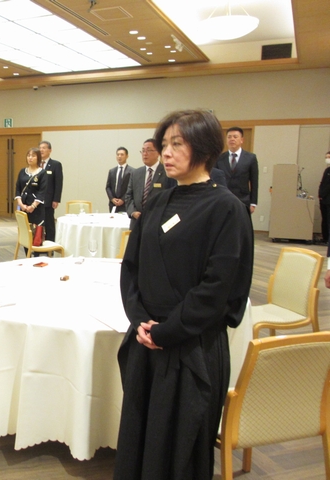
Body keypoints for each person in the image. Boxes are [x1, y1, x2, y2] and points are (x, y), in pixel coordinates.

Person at [114, 110, 254, 480]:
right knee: (139, 437)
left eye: (177, 144)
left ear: (204, 149)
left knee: (181, 449)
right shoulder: (157, 202)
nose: (166, 152)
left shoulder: (227, 208)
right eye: (164, 144)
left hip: (191, 346)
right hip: (147, 341)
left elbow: (217, 287)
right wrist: (139, 319)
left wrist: (167, 331)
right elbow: (131, 267)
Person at [124, 139, 175, 230]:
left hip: (157, 223)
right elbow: (128, 196)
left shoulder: (167, 172)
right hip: (136, 223)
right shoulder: (136, 173)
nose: (145, 154)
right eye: (143, 151)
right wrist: (133, 212)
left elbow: (173, 198)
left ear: (158, 152)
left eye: (148, 150)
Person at [215, 127, 259, 213]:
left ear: (242, 140)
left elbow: (254, 182)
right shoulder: (219, 158)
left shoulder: (251, 158)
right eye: (229, 137)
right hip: (223, 199)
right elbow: (214, 179)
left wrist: (253, 203)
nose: (232, 139)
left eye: (235, 137)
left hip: (243, 199)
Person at [15, 147, 47, 227]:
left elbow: (42, 191)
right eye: (28, 155)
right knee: (24, 229)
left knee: (36, 231)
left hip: (36, 208)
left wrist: (33, 206)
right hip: (23, 206)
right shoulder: (22, 171)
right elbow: (18, 188)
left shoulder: (42, 173)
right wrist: (20, 204)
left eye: (33, 156)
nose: (30, 158)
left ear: (38, 158)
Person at [39, 141, 63, 241]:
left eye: (44, 148)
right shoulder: (36, 164)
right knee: (37, 224)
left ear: (50, 150)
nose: (41, 150)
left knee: (49, 224)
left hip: (48, 200)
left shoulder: (55, 164)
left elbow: (58, 183)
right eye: (40, 148)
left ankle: (50, 244)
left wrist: (56, 199)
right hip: (36, 201)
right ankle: (37, 243)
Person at [106, 147, 134, 213]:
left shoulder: (132, 171)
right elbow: (108, 187)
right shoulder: (112, 171)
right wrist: (112, 199)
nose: (119, 156)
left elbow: (132, 188)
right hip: (113, 204)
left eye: (122, 154)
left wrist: (123, 199)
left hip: (126, 204)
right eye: (118, 154)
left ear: (127, 156)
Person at [318, 150, 330, 244]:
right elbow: (322, 183)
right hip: (323, 199)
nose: (327, 159)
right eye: (326, 157)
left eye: (329, 157)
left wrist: (324, 194)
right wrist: (320, 194)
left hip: (329, 199)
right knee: (324, 219)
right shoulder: (327, 170)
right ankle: (325, 237)